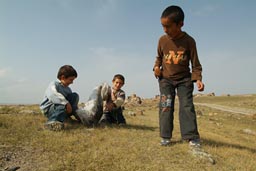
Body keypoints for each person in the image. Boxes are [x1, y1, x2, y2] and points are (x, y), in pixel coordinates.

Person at [153, 6, 205, 147]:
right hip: (166, 79)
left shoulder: (189, 41)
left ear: (180, 24)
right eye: (163, 26)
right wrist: (156, 68)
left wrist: (198, 79)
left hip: (184, 80)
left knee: (187, 106)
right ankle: (165, 136)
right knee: (166, 105)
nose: (165, 30)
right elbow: (158, 58)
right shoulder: (162, 40)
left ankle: (191, 137)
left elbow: (195, 64)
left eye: (168, 26)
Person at [40, 65, 80, 131]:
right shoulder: (54, 84)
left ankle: (65, 118)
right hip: (50, 109)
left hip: (62, 108)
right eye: (71, 80)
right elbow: (53, 95)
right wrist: (66, 103)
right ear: (63, 77)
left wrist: (79, 116)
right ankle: (52, 122)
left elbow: (73, 105)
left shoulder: (68, 89)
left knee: (74, 96)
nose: (72, 82)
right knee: (62, 104)